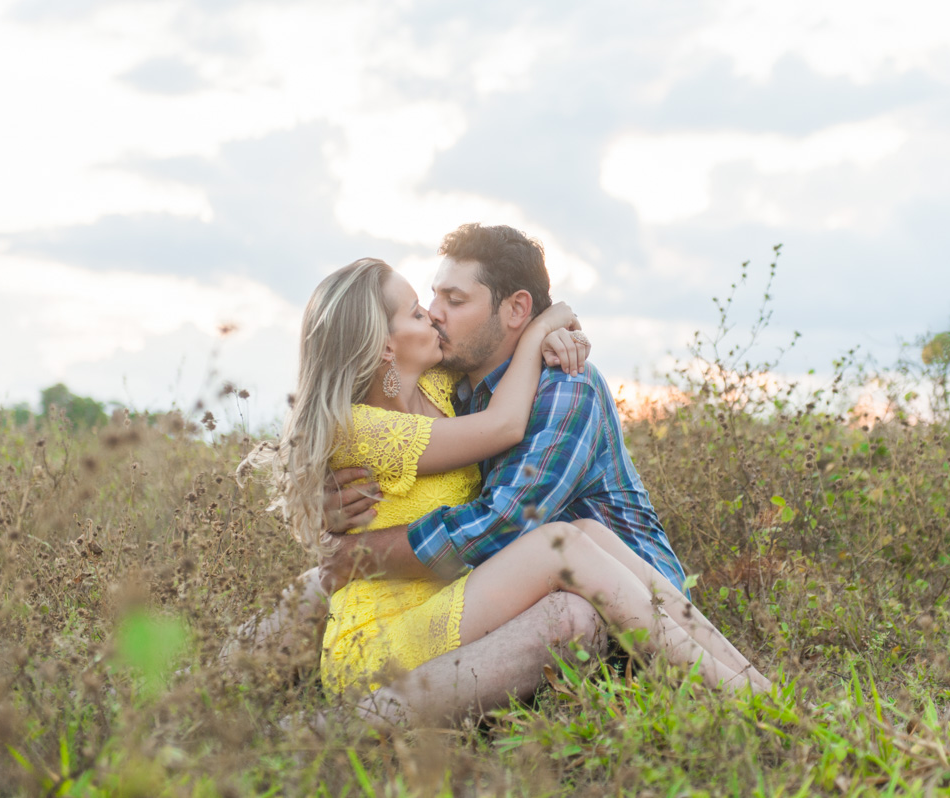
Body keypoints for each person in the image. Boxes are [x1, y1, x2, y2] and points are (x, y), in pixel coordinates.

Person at [239, 237, 769, 720]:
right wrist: (334, 524)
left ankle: (754, 693)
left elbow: (503, 521)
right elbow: (482, 454)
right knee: (320, 583)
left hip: (621, 603)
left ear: (514, 308)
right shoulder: (420, 399)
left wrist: (545, 329)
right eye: (424, 308)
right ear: (383, 343)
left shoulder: (553, 387)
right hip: (442, 615)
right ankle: (213, 689)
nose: (437, 318)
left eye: (452, 301)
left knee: (576, 539)